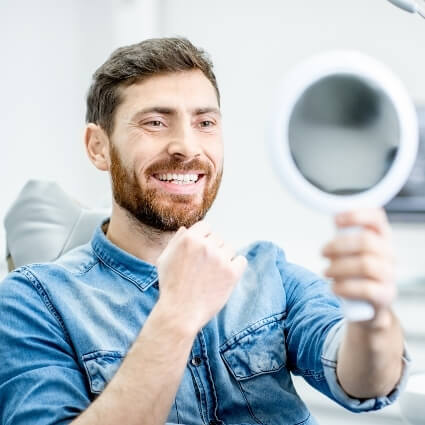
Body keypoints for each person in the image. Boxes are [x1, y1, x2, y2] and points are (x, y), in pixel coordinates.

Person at [0, 37, 409, 425]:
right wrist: (177, 314)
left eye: (205, 122)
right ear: (98, 147)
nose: (187, 147)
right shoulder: (32, 302)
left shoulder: (269, 273)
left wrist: (372, 317)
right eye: (156, 122)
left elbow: (366, 382)